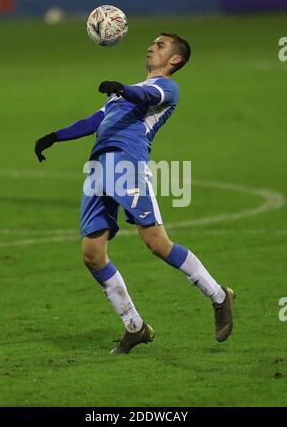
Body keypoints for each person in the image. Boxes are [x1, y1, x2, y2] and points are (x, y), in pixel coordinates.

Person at [35, 32, 235, 355]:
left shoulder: (167, 89)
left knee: (156, 242)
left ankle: (219, 296)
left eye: (160, 45)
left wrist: (122, 89)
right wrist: (55, 136)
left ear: (175, 60)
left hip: (128, 164)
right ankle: (134, 327)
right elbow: (95, 121)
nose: (151, 47)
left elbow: (145, 99)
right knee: (92, 254)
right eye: (152, 43)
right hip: (98, 168)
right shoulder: (123, 94)